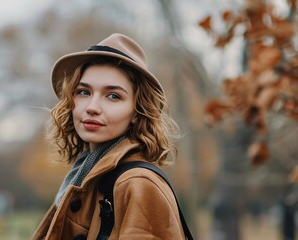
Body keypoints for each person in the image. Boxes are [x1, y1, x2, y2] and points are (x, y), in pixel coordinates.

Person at [32, 33, 187, 239]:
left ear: (136, 112)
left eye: (113, 96)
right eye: (84, 92)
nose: (92, 107)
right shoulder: (84, 176)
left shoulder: (138, 183)